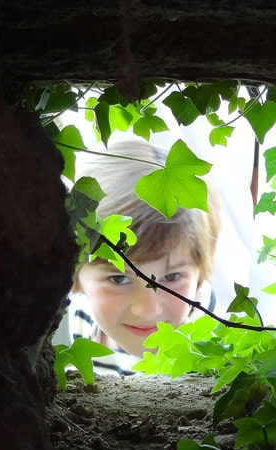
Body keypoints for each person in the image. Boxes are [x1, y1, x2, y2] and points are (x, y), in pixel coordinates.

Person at [68, 139, 222, 370]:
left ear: (200, 274)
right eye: (118, 278)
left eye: (171, 277)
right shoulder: (81, 314)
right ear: (76, 276)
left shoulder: (208, 351)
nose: (148, 310)